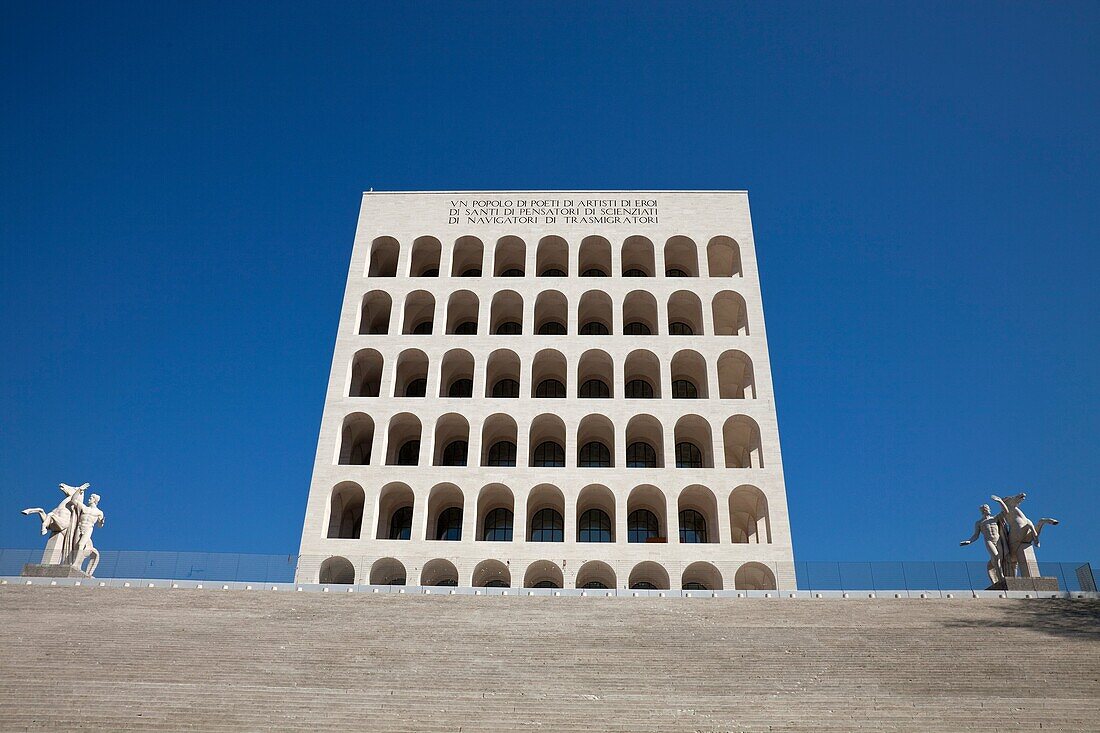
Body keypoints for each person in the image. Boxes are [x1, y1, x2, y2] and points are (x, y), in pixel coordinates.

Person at [960, 504, 1006, 586]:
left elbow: (1006, 512)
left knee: (1000, 558)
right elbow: (976, 535)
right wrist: (969, 541)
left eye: (988, 508)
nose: (988, 509)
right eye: (986, 508)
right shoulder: (979, 523)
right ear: (983, 510)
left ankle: (990, 566)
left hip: (998, 540)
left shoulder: (995, 518)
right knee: (996, 556)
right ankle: (1001, 577)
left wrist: (1000, 501)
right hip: (989, 541)